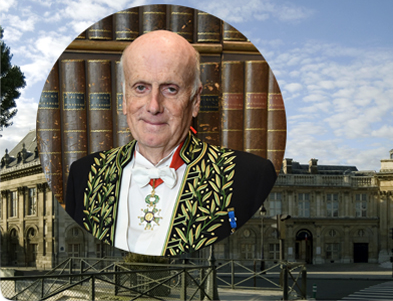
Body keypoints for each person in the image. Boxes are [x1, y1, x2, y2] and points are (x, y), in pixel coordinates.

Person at [65, 30, 276, 256]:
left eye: (170, 89)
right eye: (141, 87)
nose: (154, 106)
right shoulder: (84, 174)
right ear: (124, 99)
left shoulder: (253, 176)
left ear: (195, 101)